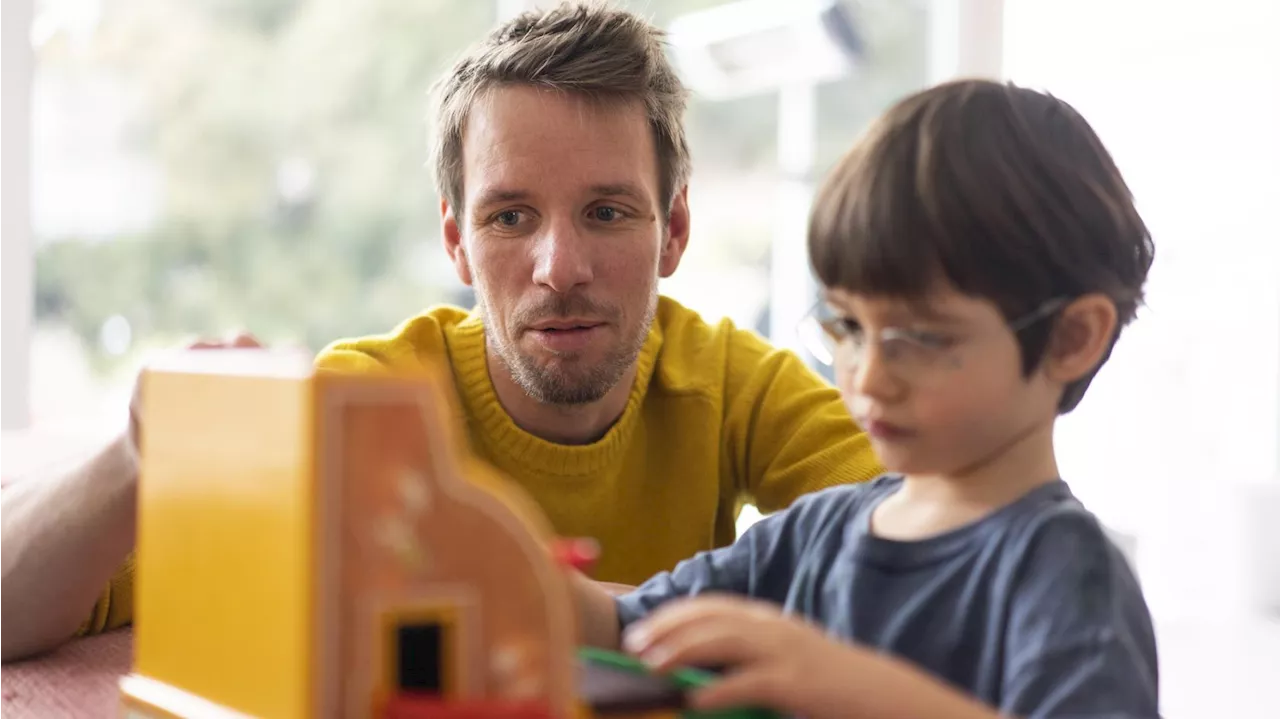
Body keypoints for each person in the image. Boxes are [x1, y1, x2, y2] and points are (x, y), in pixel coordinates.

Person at [0, 2, 882, 662]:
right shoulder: (359, 406)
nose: (558, 266)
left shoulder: (735, 384)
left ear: (675, 231)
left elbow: (949, 551)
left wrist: (567, 603)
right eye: (509, 217)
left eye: (607, 212)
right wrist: (134, 452)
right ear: (456, 239)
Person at [571, 79, 1160, 719]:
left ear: (1071, 338)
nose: (869, 377)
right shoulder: (814, 534)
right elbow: (620, 624)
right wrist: (501, 558)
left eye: (921, 337)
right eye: (849, 327)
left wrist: (848, 685)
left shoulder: (1066, 575)